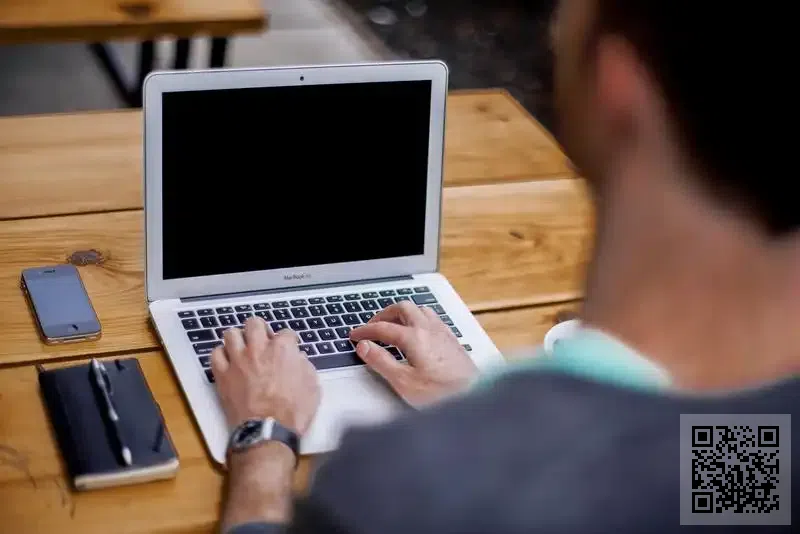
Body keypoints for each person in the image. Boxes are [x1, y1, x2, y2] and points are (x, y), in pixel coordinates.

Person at [212, 1, 798, 532]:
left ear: (615, 83)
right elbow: (672, 485)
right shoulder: (763, 431)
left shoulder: (407, 488)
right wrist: (471, 401)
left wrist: (265, 434)